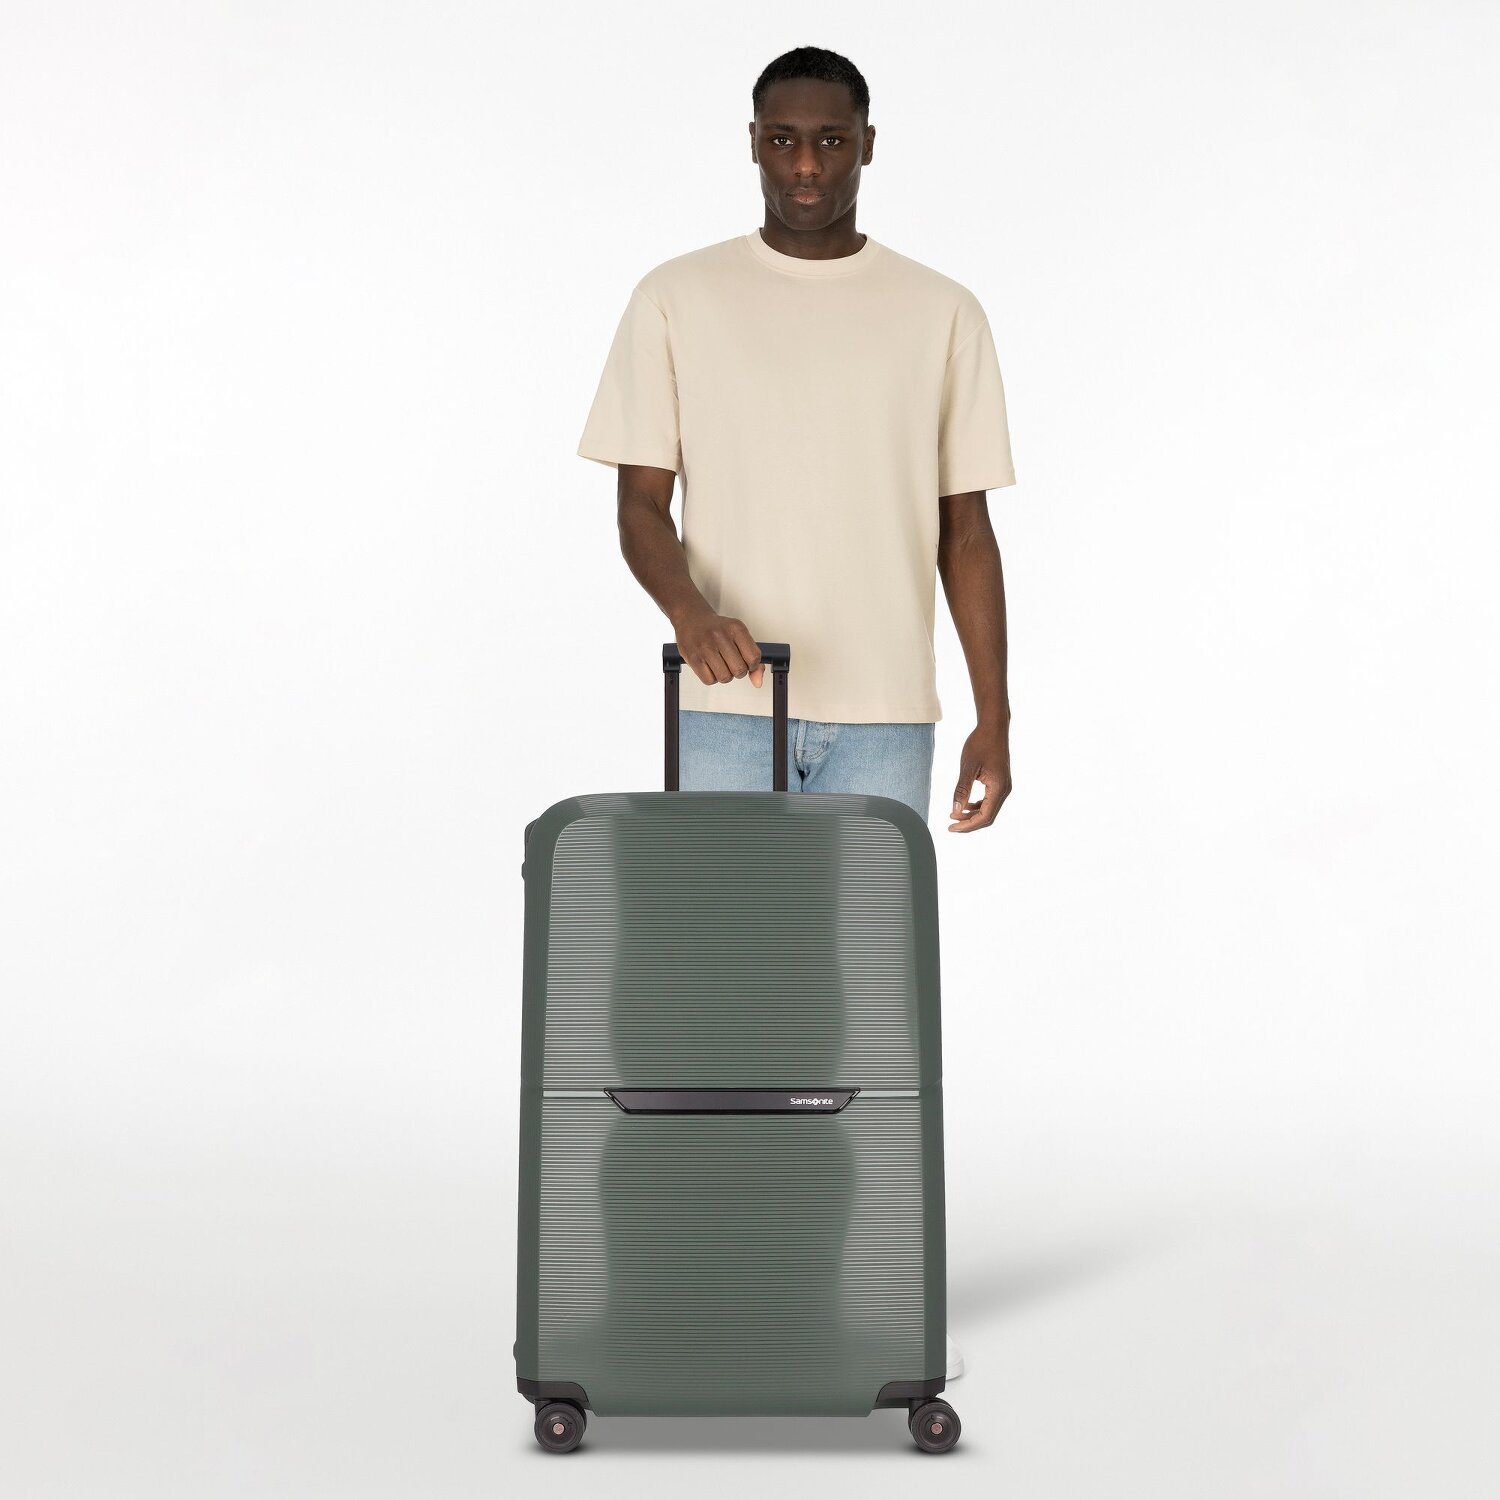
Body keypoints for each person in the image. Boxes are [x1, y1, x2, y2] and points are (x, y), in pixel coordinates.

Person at [576, 45, 1018, 1384]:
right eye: (784, 140)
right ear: (752, 143)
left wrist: (994, 715)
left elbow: (966, 530)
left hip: (884, 714)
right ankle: (703, 1271)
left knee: (859, 1013)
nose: (807, 165)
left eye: (830, 140)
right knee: (713, 1000)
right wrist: (687, 610)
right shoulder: (678, 297)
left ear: (868, 144)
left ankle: (853, 1288)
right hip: (730, 707)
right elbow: (639, 506)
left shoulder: (940, 311)